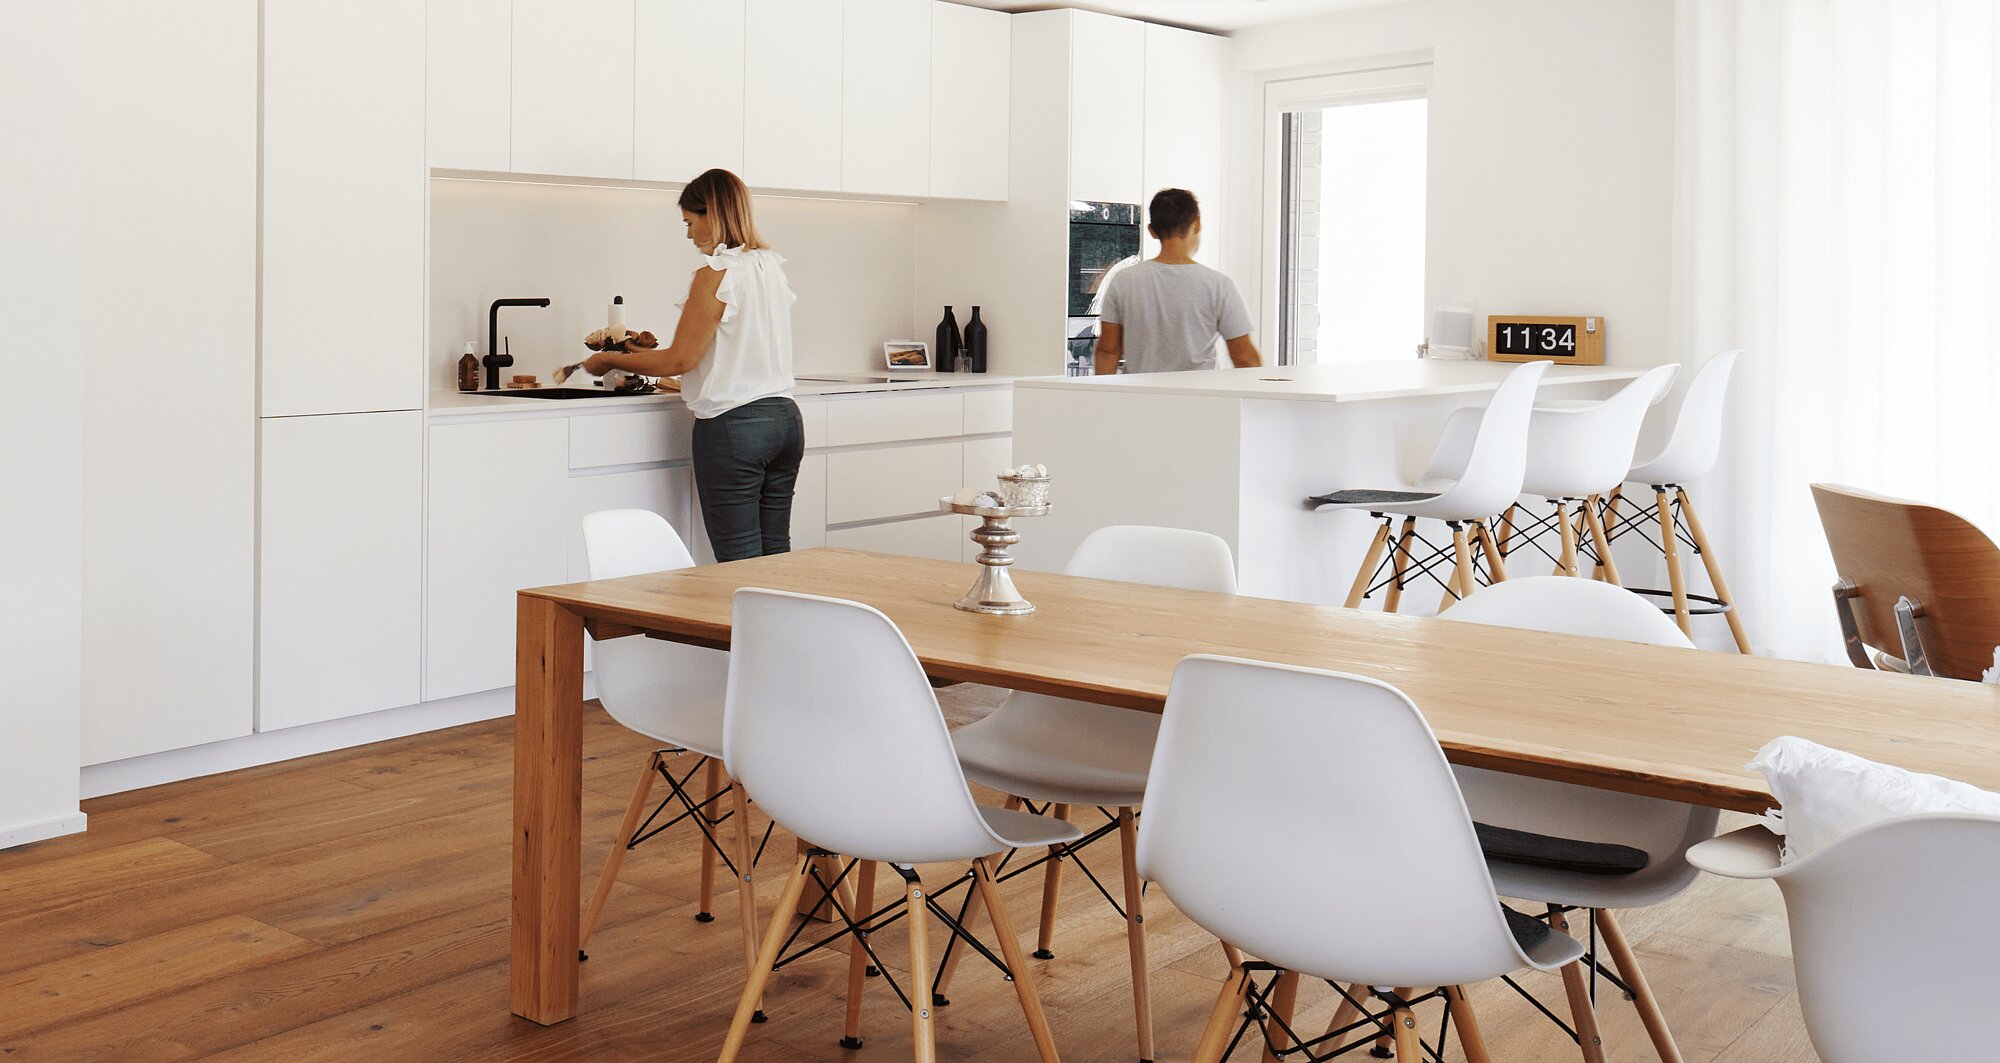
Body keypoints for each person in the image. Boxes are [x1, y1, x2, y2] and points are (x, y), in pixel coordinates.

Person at [583, 168, 802, 562]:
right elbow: (721, 347)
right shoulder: (769, 266)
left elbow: (681, 360)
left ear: (712, 214)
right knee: (776, 559)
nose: (688, 234)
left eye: (689, 221)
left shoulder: (714, 273)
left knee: (739, 563)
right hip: (785, 421)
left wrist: (608, 359)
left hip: (735, 427)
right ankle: (778, 626)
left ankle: (743, 626)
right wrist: (635, 350)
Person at [1094, 188, 1262, 375]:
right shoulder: (1219, 285)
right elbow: (1245, 357)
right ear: (1197, 224)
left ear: (1152, 231)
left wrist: (1102, 400)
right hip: (1199, 400)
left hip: (1139, 399)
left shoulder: (1124, 280)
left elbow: (1108, 350)